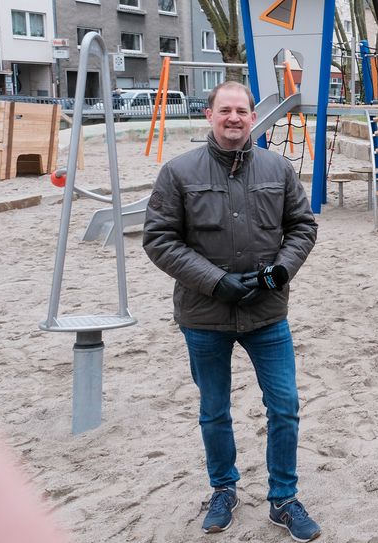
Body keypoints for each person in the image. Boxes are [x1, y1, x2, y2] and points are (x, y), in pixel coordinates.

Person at [143, 81, 320, 541]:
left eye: (242, 110)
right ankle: (223, 488)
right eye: (226, 110)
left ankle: (283, 498)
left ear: (252, 116)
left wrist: (282, 270)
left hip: (267, 313)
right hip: (205, 315)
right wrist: (214, 280)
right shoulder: (179, 172)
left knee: (285, 405)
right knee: (214, 410)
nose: (235, 118)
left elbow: (302, 226)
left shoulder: (278, 168)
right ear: (209, 115)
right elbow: (160, 239)